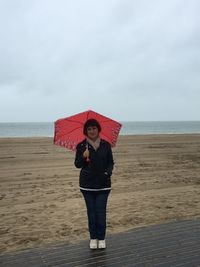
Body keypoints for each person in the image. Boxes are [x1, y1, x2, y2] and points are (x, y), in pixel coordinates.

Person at [74, 118, 114, 249]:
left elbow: (110, 163)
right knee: (91, 213)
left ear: (98, 129)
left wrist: (107, 173)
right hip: (87, 185)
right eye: (89, 129)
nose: (92, 131)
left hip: (103, 184)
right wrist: (84, 157)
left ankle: (101, 238)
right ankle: (93, 238)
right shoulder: (81, 146)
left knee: (101, 212)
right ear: (86, 131)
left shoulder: (106, 145)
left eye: (94, 128)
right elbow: (78, 164)